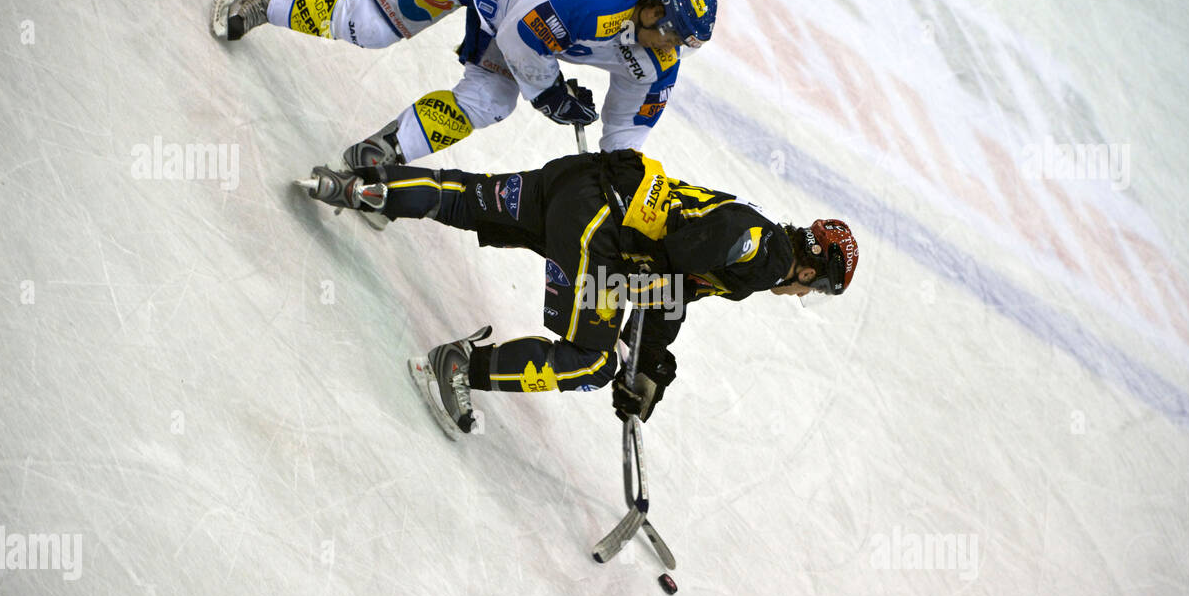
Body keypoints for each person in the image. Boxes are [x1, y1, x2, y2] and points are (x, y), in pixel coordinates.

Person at [295, 149, 859, 437]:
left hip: (583, 180)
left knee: (470, 199)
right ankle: (459, 367)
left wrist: (651, 364)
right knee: (591, 362)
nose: (798, 296)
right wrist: (635, 351)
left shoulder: (760, 235)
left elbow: (675, 292)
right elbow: (683, 265)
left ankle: (366, 189)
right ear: (811, 274)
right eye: (814, 291)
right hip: (600, 230)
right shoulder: (769, 259)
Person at [210, 0, 716, 192]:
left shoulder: (658, 62)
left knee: (491, 100)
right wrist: (551, 95)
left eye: (679, 43)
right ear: (650, 5)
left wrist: (624, 186)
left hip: (525, 8)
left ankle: (382, 152)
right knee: (371, 23)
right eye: (666, 29)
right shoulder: (598, 0)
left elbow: (625, 138)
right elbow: (521, 35)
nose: (667, 45)